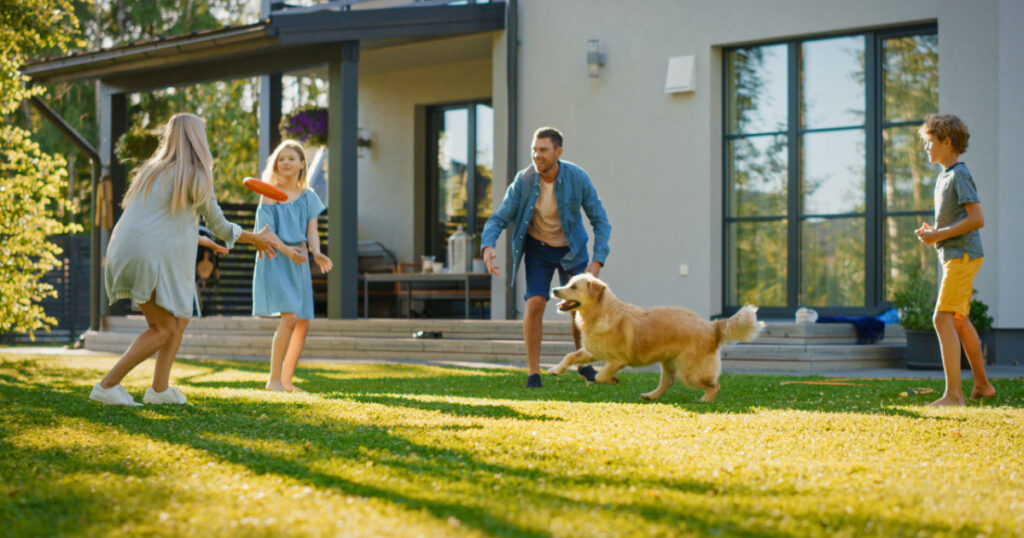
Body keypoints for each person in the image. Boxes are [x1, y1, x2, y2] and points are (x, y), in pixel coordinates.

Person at [90, 113, 288, 406]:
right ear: (198, 139)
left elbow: (156, 220)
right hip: (148, 256)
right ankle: (107, 386)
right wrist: (256, 238)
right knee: (163, 329)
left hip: (125, 249)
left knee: (179, 319)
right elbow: (221, 226)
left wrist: (196, 236)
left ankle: (159, 390)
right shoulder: (197, 175)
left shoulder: (152, 171)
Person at [481, 127, 611, 388]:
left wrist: (596, 260)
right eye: (534, 150)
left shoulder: (577, 178)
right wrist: (488, 245)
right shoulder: (524, 180)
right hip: (539, 249)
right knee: (536, 303)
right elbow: (499, 217)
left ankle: (583, 364)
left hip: (572, 249)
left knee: (580, 308)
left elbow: (600, 221)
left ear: (558, 152)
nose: (537, 155)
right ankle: (533, 373)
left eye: (543, 150)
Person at [914, 114, 996, 406]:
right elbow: (961, 219)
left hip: (962, 255)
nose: (926, 148)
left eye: (929, 142)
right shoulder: (946, 175)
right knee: (959, 322)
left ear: (947, 142)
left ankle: (953, 395)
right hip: (957, 254)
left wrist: (940, 235)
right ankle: (983, 385)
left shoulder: (959, 174)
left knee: (941, 319)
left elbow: (977, 218)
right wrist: (936, 232)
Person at [252, 140, 333, 392]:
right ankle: (273, 381)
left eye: (291, 158)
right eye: (281, 158)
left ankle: (286, 381)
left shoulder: (309, 196)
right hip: (276, 257)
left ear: (301, 164)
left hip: (298, 259)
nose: (285, 162)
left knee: (302, 322)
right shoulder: (269, 194)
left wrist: (316, 253)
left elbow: (312, 231)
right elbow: (266, 233)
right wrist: (288, 251)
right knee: (290, 318)